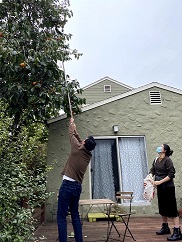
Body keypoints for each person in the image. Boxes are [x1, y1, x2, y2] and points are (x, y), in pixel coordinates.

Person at [57, 117, 96, 242]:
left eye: (84, 140)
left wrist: (71, 125)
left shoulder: (76, 149)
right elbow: (80, 141)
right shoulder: (88, 155)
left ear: (84, 143)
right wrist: (76, 131)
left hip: (67, 185)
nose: (82, 140)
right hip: (77, 187)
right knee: (75, 215)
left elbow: (71, 134)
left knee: (61, 217)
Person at [149, 143, 182, 241]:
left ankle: (177, 232)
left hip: (168, 187)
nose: (159, 147)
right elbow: (152, 170)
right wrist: (150, 177)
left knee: (172, 209)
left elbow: (171, 174)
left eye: (161, 146)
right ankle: (165, 227)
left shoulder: (168, 160)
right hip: (160, 187)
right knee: (162, 207)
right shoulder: (156, 160)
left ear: (165, 150)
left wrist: (160, 181)